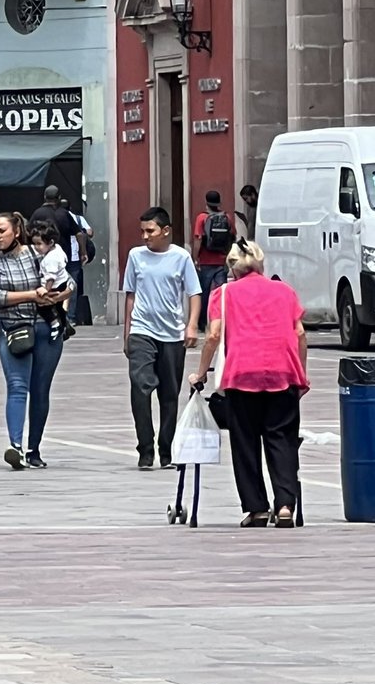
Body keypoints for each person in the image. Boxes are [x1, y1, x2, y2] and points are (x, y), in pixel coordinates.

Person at [190, 239, 308, 528]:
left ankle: (256, 508)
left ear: (232, 267)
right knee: (281, 441)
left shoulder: (224, 294)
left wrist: (201, 373)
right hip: (282, 374)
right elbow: (300, 333)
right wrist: (301, 374)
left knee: (245, 442)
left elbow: (214, 335)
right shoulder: (285, 291)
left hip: (241, 375)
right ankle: (284, 506)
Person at [0, 212, 72, 469]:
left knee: (40, 389)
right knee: (17, 385)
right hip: (15, 330)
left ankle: (34, 449)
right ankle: (16, 447)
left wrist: (59, 297)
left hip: (45, 329)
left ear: (16, 231)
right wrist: (33, 295)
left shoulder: (38, 253)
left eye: (1, 230)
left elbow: (69, 281)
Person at [123, 206, 201, 470]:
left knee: (169, 394)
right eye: (142, 231)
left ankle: (166, 450)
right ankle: (145, 448)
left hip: (172, 334)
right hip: (142, 331)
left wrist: (191, 326)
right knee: (140, 387)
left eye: (150, 231)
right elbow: (130, 295)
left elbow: (194, 293)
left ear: (165, 231)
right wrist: (128, 332)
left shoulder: (181, 258)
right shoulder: (136, 256)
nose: (145, 236)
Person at [192, 190, 235, 332]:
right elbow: (232, 237)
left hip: (205, 262)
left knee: (203, 294)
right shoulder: (227, 218)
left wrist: (195, 258)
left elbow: (198, 239)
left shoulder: (202, 218)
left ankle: (202, 324)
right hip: (222, 262)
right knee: (221, 294)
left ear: (206, 203)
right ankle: (222, 322)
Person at [30, 186, 85, 289]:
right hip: (65, 258)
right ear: (59, 197)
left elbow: (28, 233)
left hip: (42, 258)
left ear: (44, 197)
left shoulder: (37, 213)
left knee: (46, 284)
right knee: (68, 289)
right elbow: (79, 234)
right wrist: (83, 252)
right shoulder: (64, 214)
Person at [28, 221, 72, 342]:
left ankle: (55, 324)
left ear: (50, 242)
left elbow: (50, 278)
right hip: (63, 282)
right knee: (59, 308)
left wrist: (45, 292)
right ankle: (65, 325)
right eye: (34, 244)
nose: (36, 247)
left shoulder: (50, 259)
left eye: (39, 244)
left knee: (43, 307)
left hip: (55, 286)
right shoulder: (57, 249)